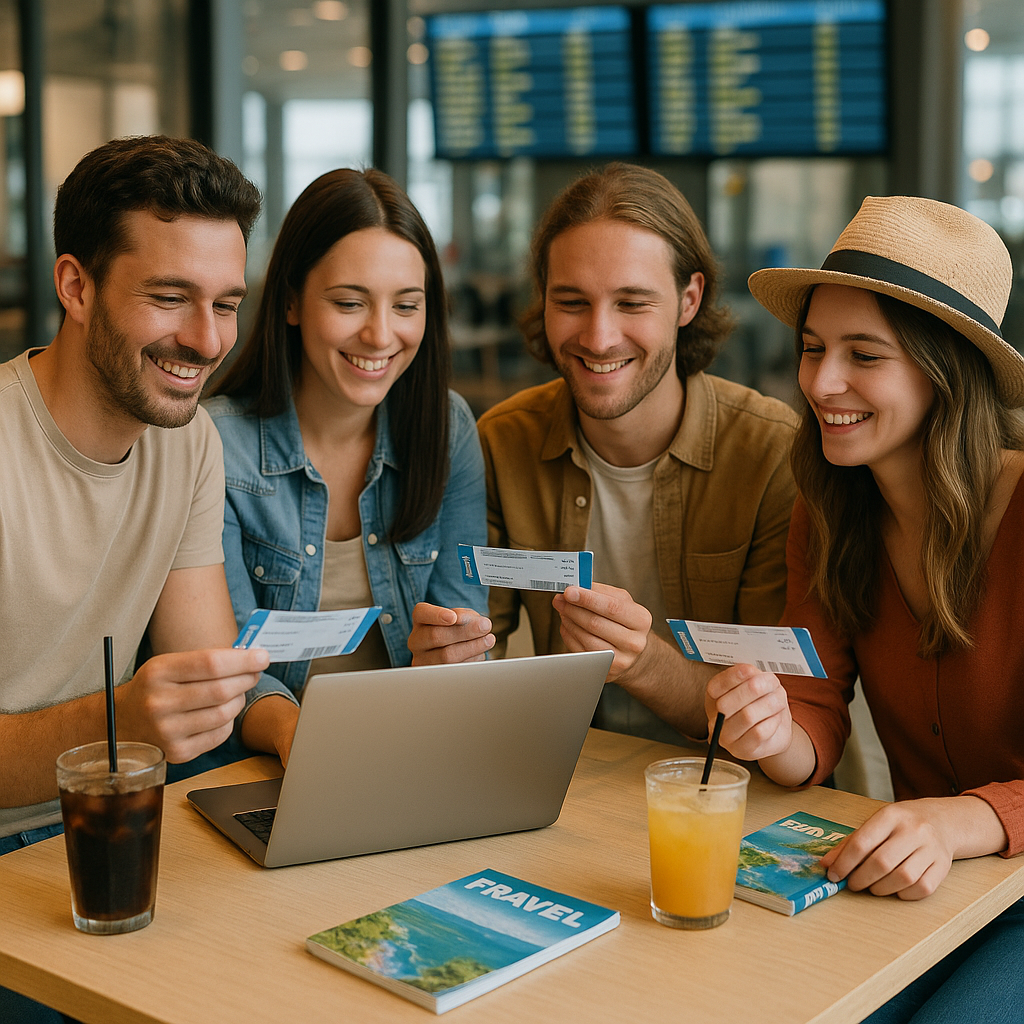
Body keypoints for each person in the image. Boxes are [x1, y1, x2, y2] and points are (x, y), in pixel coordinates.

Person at [708, 195, 1024, 1022]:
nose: (820, 382)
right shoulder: (829, 511)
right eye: (812, 349)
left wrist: (966, 821)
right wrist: (772, 731)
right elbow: (813, 709)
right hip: (921, 878)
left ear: (943, 370)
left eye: (864, 354)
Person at [0, 135, 272, 1023]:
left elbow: (204, 668)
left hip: (130, 843)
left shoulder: (188, 443)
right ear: (75, 287)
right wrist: (115, 723)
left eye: (226, 304)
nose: (206, 340)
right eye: (170, 298)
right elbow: (141, 718)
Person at [409, 163, 799, 744]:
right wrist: (445, 658)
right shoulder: (502, 441)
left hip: (728, 790)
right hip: (573, 781)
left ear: (689, 299)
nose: (598, 337)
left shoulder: (770, 451)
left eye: (632, 303)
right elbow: (473, 654)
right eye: (571, 301)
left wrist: (642, 663)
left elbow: (772, 713)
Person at [206, 167, 487, 715]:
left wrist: (451, 658)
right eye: (349, 303)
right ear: (291, 302)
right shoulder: (215, 445)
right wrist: (315, 753)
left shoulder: (446, 429)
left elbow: (463, 627)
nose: (381, 335)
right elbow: (228, 674)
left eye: (406, 305)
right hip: (263, 759)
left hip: (406, 742)